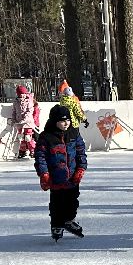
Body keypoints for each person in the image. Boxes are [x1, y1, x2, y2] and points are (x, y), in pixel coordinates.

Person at [35, 103, 88, 240]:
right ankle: (57, 225)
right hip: (55, 177)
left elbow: (81, 152)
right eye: (62, 121)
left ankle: (69, 220)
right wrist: (44, 174)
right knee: (57, 204)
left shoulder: (74, 133)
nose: (66, 123)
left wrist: (81, 168)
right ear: (55, 121)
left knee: (72, 201)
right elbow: (40, 157)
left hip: (72, 176)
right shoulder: (46, 137)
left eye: (68, 120)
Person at [8, 84, 40, 159]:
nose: (22, 96)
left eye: (23, 94)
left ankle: (32, 150)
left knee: (28, 137)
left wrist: (24, 119)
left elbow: (29, 111)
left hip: (28, 123)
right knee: (21, 137)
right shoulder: (16, 102)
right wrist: (13, 119)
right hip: (19, 123)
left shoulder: (29, 101)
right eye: (20, 94)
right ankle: (22, 150)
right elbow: (14, 112)